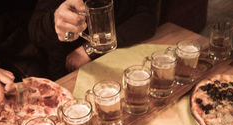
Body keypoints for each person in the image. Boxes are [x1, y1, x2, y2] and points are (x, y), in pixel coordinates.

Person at [29, 0, 161, 80]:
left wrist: (91, 48)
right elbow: (34, 31)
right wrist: (55, 21)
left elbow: (147, 19)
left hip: (123, 56)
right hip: (72, 71)